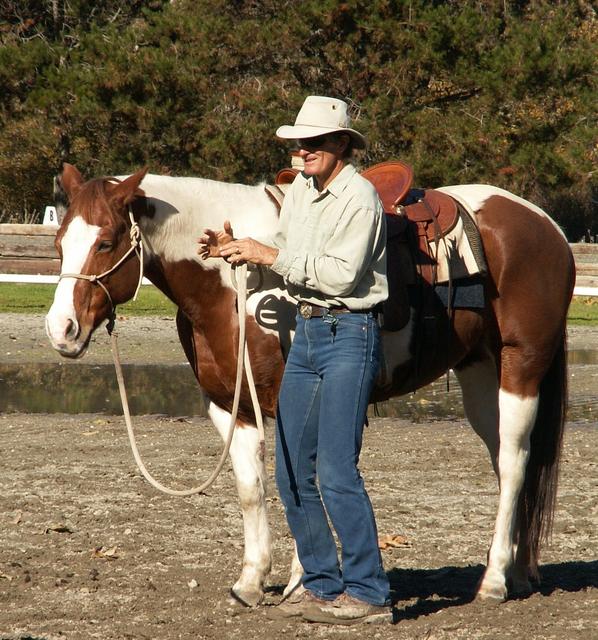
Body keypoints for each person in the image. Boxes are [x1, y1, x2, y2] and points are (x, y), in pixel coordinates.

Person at [198, 95, 390, 625]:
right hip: (306, 333)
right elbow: (283, 246)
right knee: (289, 470)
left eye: (313, 143)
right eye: (298, 143)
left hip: (349, 332)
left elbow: (341, 275)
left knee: (335, 471)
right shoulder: (303, 189)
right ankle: (321, 584)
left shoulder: (361, 199)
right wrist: (239, 246)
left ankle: (370, 592)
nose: (302, 151)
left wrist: (269, 255)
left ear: (341, 144)